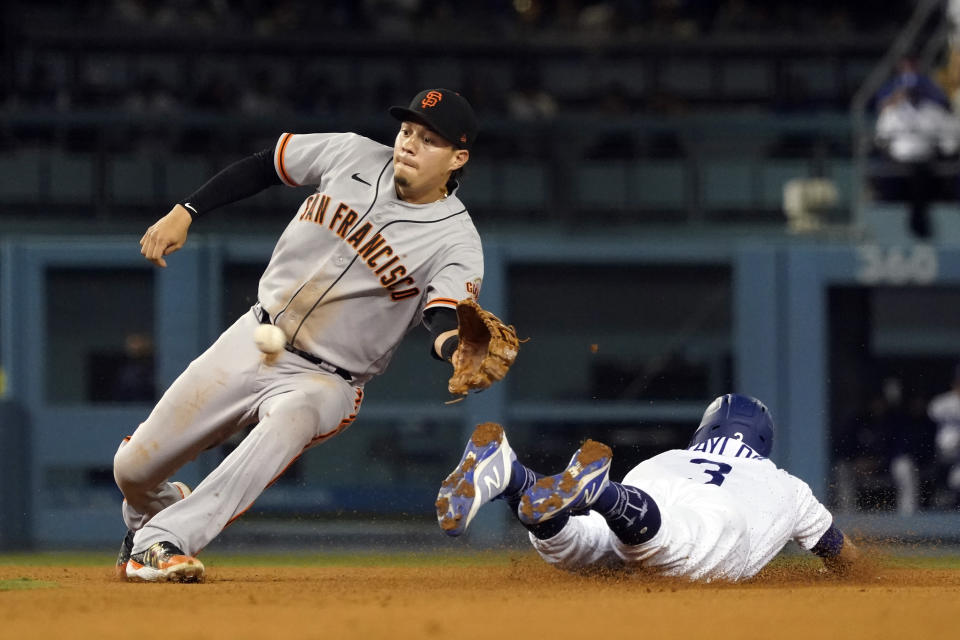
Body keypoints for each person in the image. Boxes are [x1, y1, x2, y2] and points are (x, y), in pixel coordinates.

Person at [114, 88, 490, 582]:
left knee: (290, 417)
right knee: (133, 471)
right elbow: (266, 164)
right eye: (406, 131)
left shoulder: (456, 240)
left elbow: (442, 315)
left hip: (326, 380)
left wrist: (452, 348)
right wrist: (187, 210)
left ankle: (164, 540)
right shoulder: (351, 152)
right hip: (254, 334)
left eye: (428, 139)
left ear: (457, 158)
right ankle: (161, 509)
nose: (409, 144)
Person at [436, 393, 859, 581]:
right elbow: (841, 555)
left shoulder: (671, 456)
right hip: (711, 514)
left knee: (585, 547)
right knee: (675, 548)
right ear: (764, 440)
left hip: (650, 486)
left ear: (706, 429)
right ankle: (600, 492)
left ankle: (514, 478)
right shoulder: (786, 484)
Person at [872, 60, 960, 239]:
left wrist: (937, 147)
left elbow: (950, 145)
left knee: (927, 174)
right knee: (890, 175)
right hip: (898, 165)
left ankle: (921, 220)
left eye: (914, 90)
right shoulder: (891, 113)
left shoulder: (934, 112)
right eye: (906, 91)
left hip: (927, 165)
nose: (910, 95)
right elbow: (880, 141)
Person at [927, 363, 960, 508]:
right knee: (944, 481)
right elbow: (932, 414)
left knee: (956, 480)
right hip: (945, 448)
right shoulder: (943, 401)